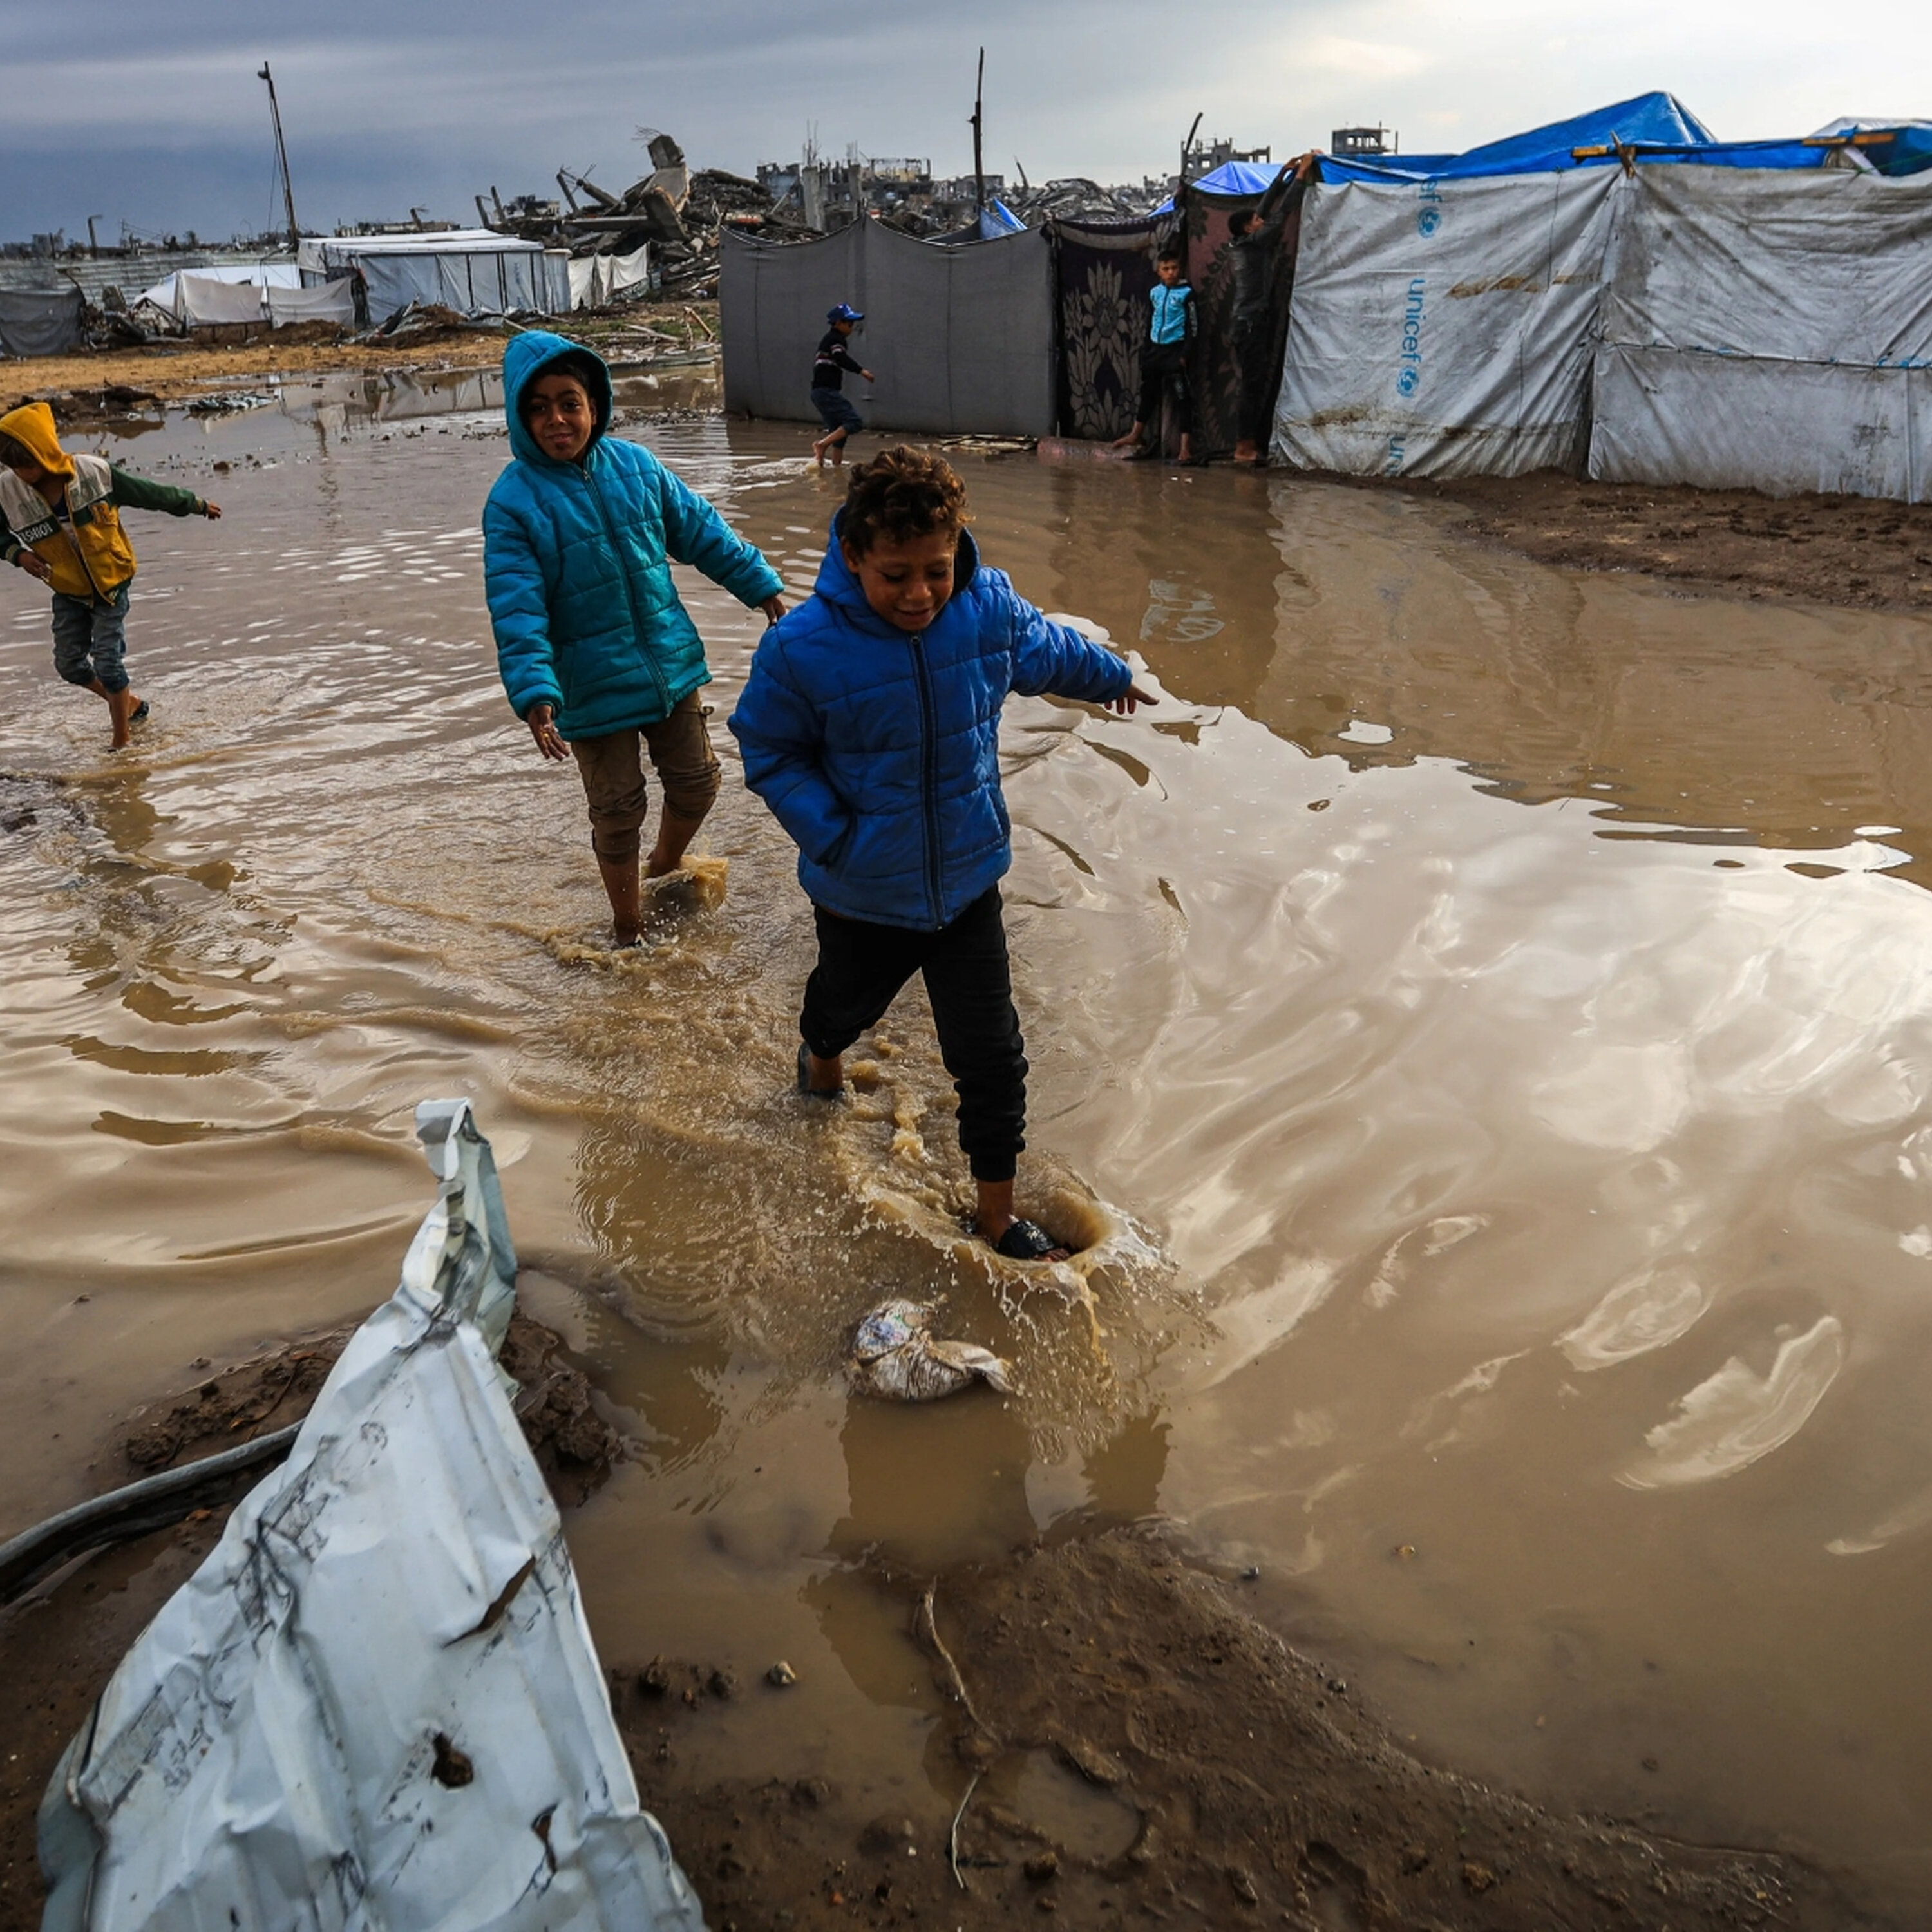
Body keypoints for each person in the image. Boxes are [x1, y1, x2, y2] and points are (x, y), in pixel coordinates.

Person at [728, 446, 1157, 1262]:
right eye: (896, 576)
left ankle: (996, 1217)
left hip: (967, 886)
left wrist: (1109, 675)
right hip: (861, 894)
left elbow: (1045, 649)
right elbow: (768, 750)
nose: (921, 594)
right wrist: (836, 839)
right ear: (852, 556)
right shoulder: (801, 648)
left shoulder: (984, 604)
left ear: (959, 545)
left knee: (992, 1057)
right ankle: (820, 1057)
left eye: (937, 569)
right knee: (840, 1009)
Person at [484, 331, 786, 947]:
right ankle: (628, 929)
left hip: (669, 666)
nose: (557, 419)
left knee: (699, 782)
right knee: (618, 813)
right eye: (537, 407)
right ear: (520, 417)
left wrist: (764, 588)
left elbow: (704, 533)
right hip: (590, 687)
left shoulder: (637, 467)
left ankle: (664, 867)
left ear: (595, 403)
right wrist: (537, 692)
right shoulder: (513, 504)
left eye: (569, 401)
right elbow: (517, 608)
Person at [0, 402, 220, 750]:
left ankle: (122, 741)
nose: (22, 473)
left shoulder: (93, 473)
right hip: (67, 587)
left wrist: (193, 504)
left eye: (27, 464)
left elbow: (150, 494)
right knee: (69, 665)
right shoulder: (8, 491)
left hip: (111, 582)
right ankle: (127, 703)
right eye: (14, 466)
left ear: (44, 450)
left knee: (108, 663)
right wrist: (19, 554)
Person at [1110, 245, 1195, 464]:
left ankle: (1185, 448)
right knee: (1148, 394)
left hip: (1175, 352)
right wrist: (1146, 350)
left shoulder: (1187, 294)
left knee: (1182, 399)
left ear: (1180, 269)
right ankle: (1136, 435)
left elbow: (1194, 327)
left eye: (1174, 268)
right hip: (1155, 351)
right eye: (1166, 269)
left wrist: (1185, 354)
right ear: (1159, 271)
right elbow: (1150, 322)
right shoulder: (1155, 293)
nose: (1171, 273)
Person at [810, 303, 873, 467]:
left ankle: (830, 468)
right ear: (838, 323)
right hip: (826, 392)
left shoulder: (829, 340)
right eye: (849, 324)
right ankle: (822, 445)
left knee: (839, 433)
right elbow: (840, 358)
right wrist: (862, 371)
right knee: (854, 422)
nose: (852, 328)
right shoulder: (836, 339)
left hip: (820, 393)